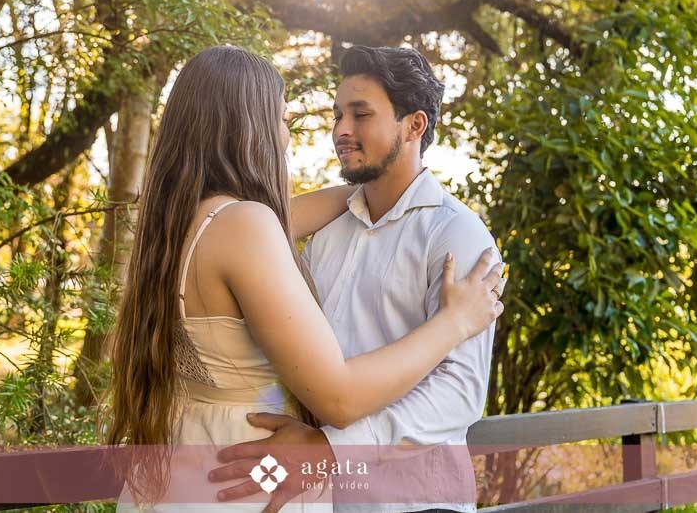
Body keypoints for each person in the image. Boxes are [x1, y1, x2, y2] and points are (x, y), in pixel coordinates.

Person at [106, 45, 505, 512]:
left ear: (414, 125)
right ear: (247, 126)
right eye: (333, 115)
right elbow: (334, 392)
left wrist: (333, 450)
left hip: (404, 499)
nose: (338, 130)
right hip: (256, 479)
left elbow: (460, 392)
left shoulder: (455, 233)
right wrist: (456, 321)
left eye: (360, 114)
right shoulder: (266, 229)